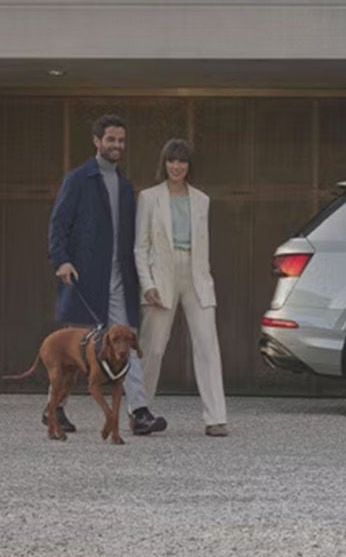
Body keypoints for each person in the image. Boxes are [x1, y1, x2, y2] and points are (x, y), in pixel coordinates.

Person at [47, 113, 167, 437]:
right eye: (111, 139)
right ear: (97, 141)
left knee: (125, 343)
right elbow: (58, 224)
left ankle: (139, 411)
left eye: (121, 140)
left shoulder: (126, 186)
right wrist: (61, 260)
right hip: (84, 278)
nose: (117, 145)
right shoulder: (78, 179)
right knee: (74, 350)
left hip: (118, 281)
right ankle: (55, 408)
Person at [135, 139, 228, 437]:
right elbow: (140, 247)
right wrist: (147, 284)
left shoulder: (202, 199)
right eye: (171, 161)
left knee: (207, 346)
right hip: (161, 275)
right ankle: (139, 412)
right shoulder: (149, 198)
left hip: (196, 275)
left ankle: (216, 418)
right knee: (153, 347)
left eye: (182, 161)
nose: (176, 166)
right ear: (164, 164)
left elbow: (205, 245)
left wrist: (207, 278)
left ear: (189, 165)